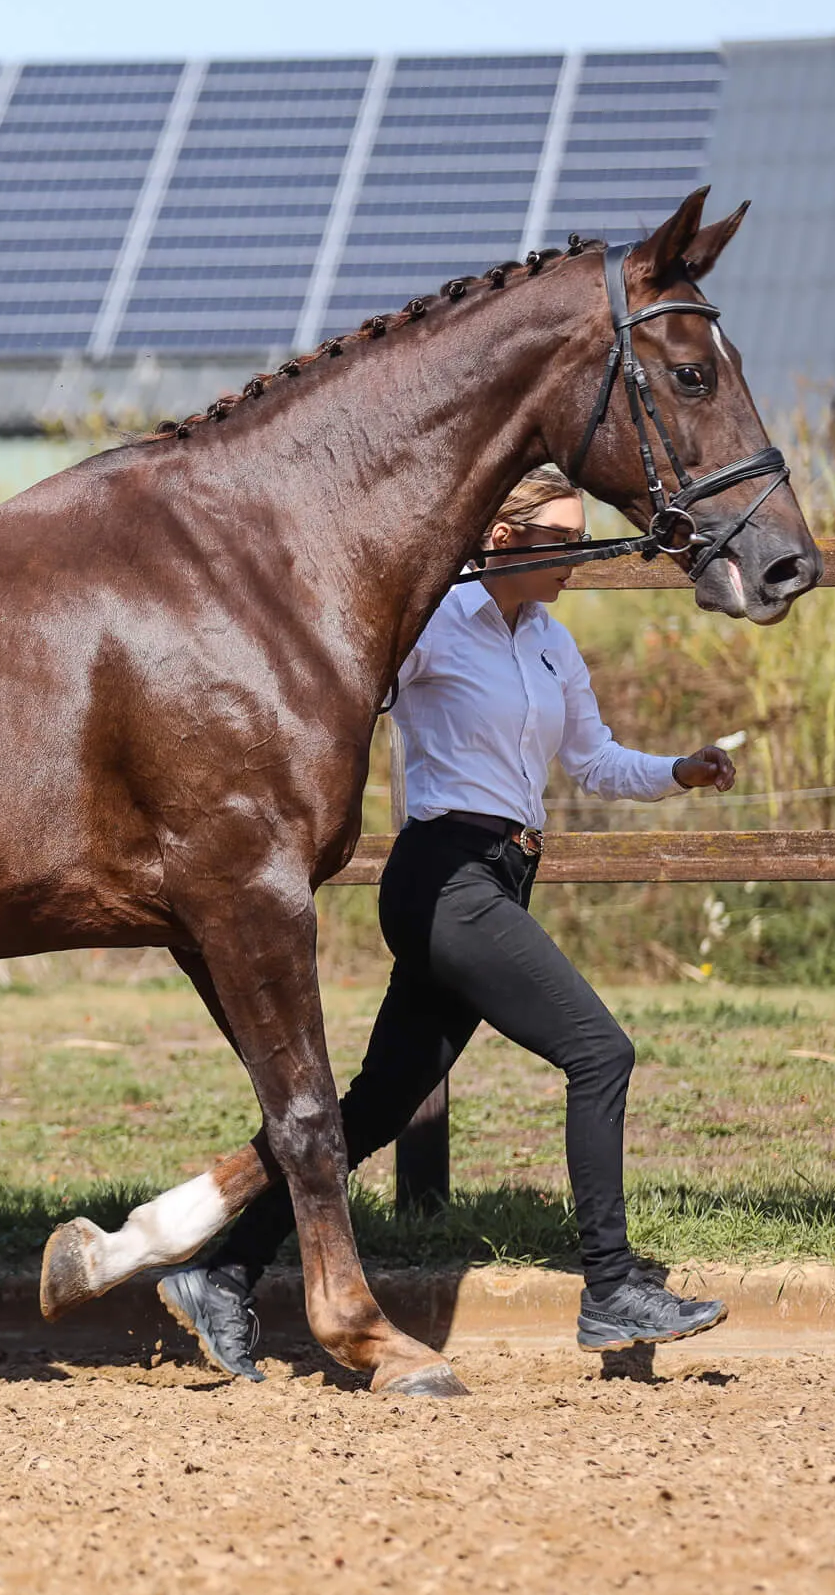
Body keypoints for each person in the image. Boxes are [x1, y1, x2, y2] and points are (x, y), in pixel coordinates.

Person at [162, 469, 739, 1379]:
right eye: (564, 538)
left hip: (503, 879)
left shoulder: (553, 647)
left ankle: (224, 1273)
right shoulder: (433, 627)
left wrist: (680, 771)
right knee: (601, 1052)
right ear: (504, 539)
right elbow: (343, 684)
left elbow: (593, 762)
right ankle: (611, 1284)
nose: (581, 558)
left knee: (377, 1109)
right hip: (444, 880)